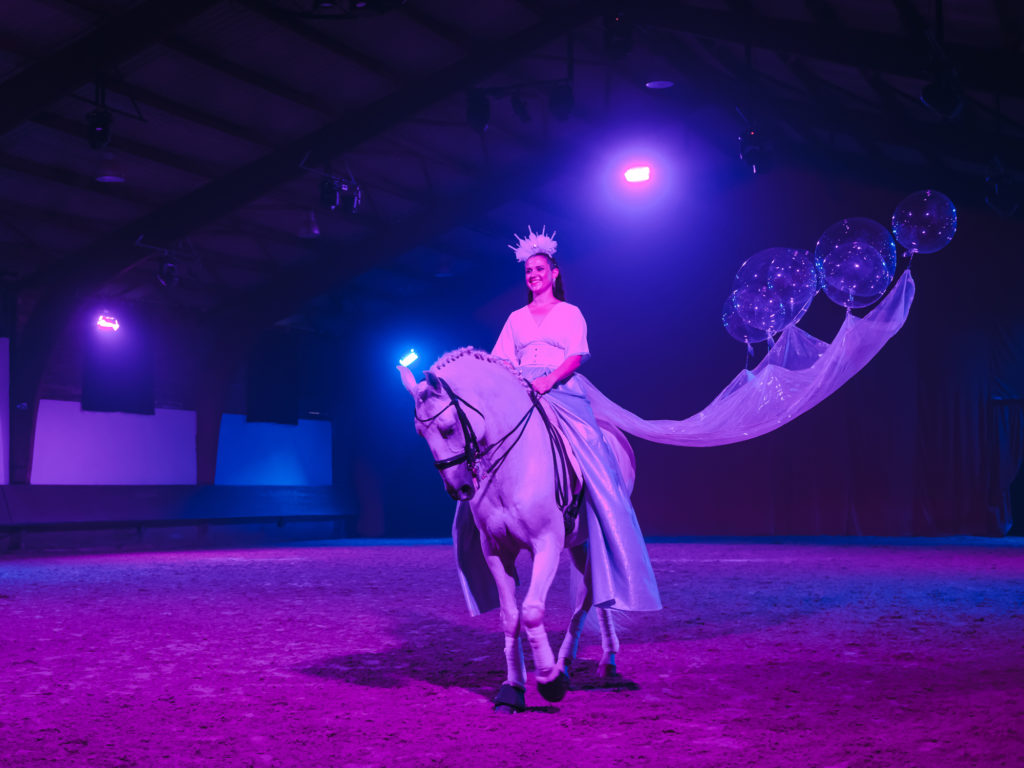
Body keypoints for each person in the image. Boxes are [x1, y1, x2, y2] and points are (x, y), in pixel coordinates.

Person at [482, 226, 661, 613]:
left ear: (554, 273)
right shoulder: (515, 318)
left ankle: (602, 512)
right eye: (528, 271)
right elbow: (500, 360)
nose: (533, 275)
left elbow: (576, 355)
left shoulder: (569, 313)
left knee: (590, 445)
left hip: (560, 386)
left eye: (539, 269)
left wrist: (547, 379)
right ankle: (479, 524)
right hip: (521, 388)